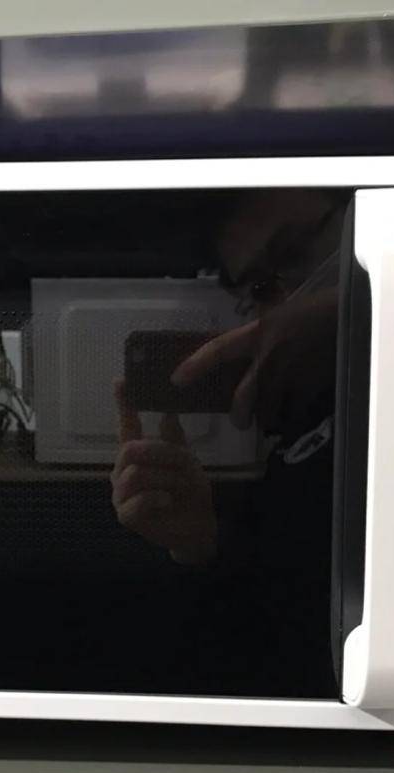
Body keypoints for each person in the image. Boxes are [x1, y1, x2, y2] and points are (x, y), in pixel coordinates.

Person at [111, 188, 345, 568]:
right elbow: (280, 593)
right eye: (260, 289)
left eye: (295, 252)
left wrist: (351, 307)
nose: (286, 305)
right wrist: (199, 543)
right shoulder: (295, 433)